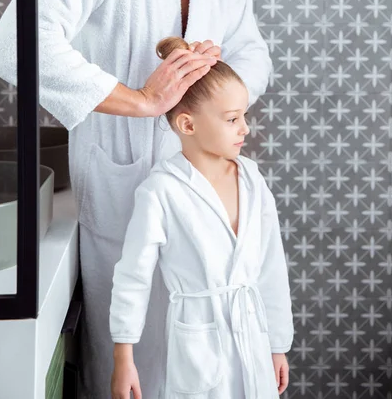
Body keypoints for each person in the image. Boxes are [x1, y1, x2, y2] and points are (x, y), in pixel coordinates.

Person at [0, 0, 295, 399]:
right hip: (125, 193)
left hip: (206, 192)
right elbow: (14, 41)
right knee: (134, 366)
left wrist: (218, 85)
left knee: (211, 366)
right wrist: (142, 101)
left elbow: (252, 50)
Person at [110, 36, 294, 399]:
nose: (245, 128)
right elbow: (133, 278)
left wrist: (277, 344)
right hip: (198, 342)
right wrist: (123, 358)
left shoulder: (253, 180)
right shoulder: (161, 191)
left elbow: (272, 266)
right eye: (232, 119)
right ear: (188, 125)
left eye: (244, 116)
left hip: (253, 336)